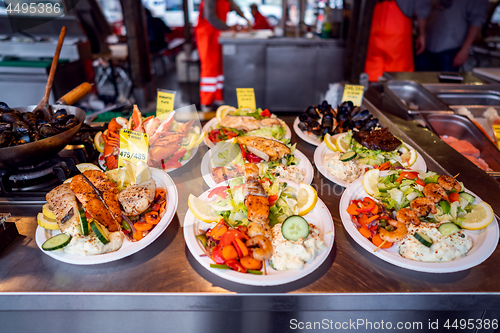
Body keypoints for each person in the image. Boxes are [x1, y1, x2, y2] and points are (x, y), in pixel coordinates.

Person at [196, 0, 250, 112]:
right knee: (209, 68)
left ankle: (218, 98)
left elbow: (235, 7)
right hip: (207, 35)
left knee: (219, 67)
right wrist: (228, 27)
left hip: (218, 35)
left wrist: (245, 18)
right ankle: (206, 102)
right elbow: (210, 17)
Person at [364, 0, 431, 82]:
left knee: (372, 72)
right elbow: (422, 8)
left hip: (374, 28)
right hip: (398, 32)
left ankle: (371, 93)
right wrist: (422, 34)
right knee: (397, 78)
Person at [415, 0, 489, 72]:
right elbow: (421, 8)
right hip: (426, 46)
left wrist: (465, 49)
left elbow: (477, 20)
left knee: (446, 83)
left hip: (451, 49)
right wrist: (422, 34)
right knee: (422, 80)